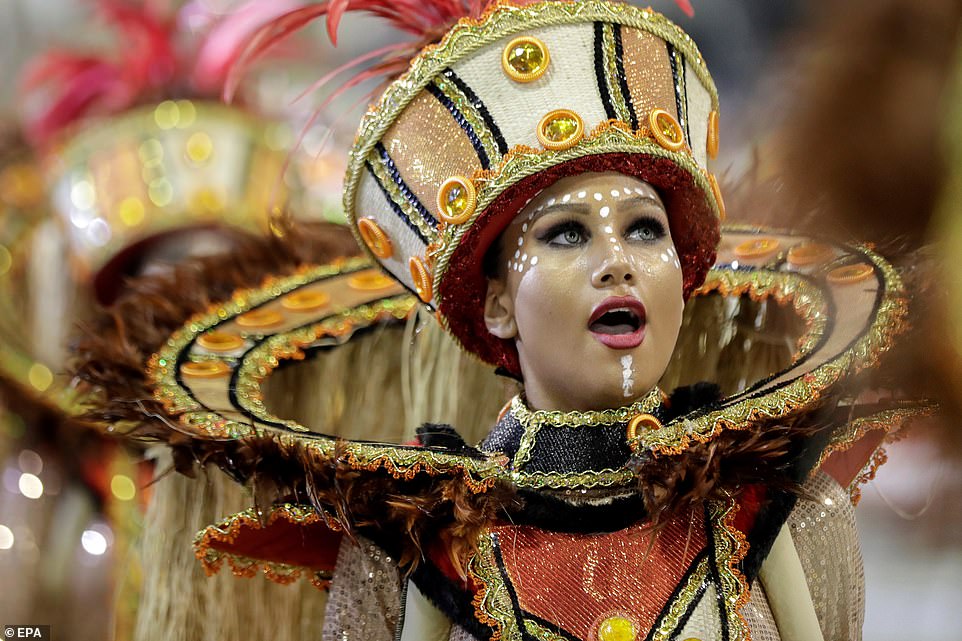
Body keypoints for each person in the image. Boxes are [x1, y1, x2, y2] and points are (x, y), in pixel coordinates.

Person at [79, 2, 923, 640]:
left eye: (644, 228)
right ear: (491, 304)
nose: (616, 259)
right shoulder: (427, 546)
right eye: (565, 234)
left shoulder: (770, 509)